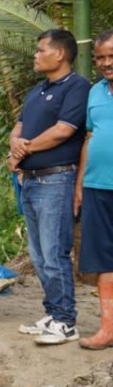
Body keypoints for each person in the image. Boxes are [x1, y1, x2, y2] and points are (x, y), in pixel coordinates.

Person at [9, 29, 89, 344]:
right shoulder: (37, 91)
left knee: (55, 252)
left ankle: (66, 321)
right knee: (39, 254)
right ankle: (53, 313)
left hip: (56, 179)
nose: (35, 55)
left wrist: (24, 149)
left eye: (41, 50)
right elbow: (17, 129)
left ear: (60, 54)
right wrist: (15, 147)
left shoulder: (77, 88)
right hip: (29, 181)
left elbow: (62, 132)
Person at [77, 30, 113, 349]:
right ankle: (107, 328)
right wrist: (80, 185)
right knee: (103, 258)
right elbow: (89, 138)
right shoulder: (96, 93)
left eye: (111, 56)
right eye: (100, 57)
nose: (105, 63)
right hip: (97, 187)